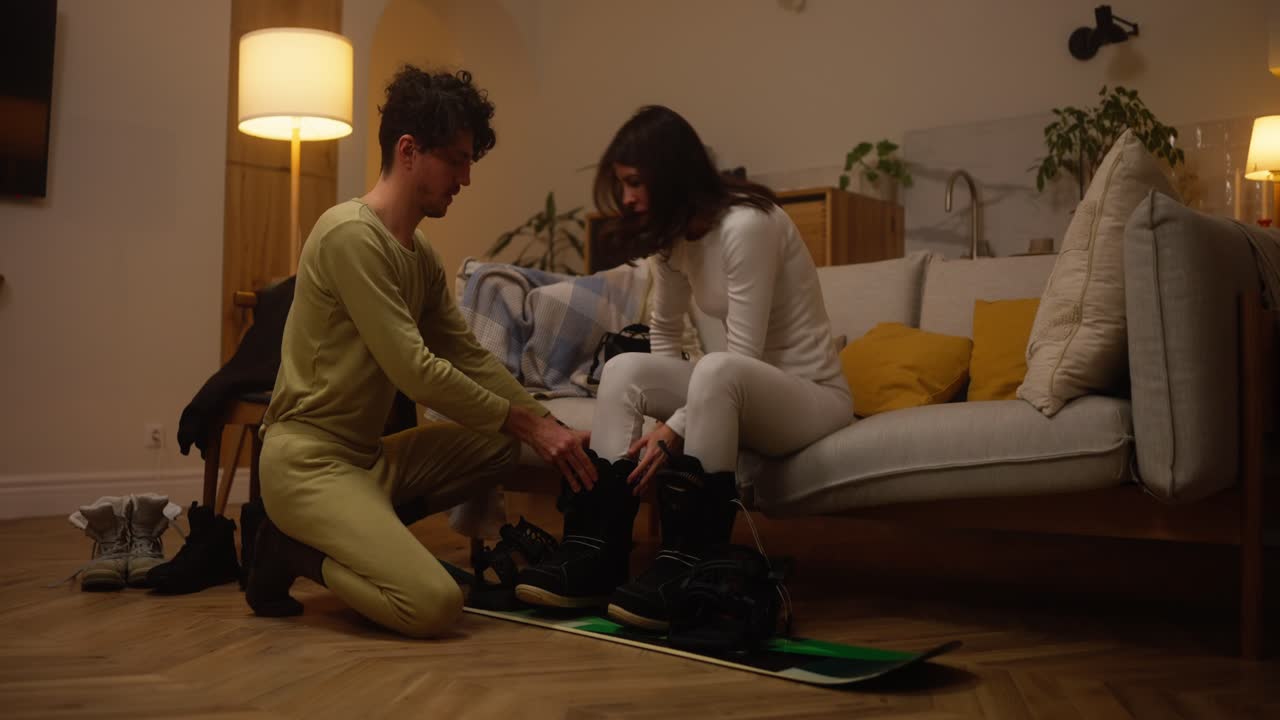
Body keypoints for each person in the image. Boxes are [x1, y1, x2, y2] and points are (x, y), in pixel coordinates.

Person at [245, 66, 596, 638]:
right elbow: (416, 371)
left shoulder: (420, 252)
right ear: (409, 151)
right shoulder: (349, 236)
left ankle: (365, 529)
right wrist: (530, 424)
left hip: (368, 461)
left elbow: (467, 354)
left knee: (500, 446)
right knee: (433, 602)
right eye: (455, 160)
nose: (465, 177)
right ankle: (293, 551)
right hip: (306, 464)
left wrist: (546, 425)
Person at [515, 105, 854, 631]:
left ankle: (690, 564)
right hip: (739, 391)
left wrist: (675, 429)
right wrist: (655, 433)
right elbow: (666, 339)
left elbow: (741, 359)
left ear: (670, 174)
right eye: (621, 184)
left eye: (634, 183)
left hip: (809, 398)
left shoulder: (748, 225)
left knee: (716, 369)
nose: (626, 198)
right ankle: (596, 550)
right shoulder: (673, 238)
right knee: (628, 367)